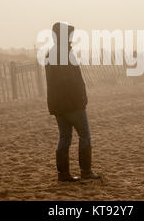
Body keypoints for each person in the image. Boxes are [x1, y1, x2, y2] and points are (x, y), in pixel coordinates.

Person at [45, 22, 101, 182]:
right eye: (69, 35)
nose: (72, 38)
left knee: (64, 137)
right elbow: (71, 81)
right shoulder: (64, 54)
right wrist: (82, 98)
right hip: (72, 103)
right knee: (85, 136)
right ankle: (86, 171)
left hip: (57, 104)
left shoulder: (51, 53)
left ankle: (63, 174)